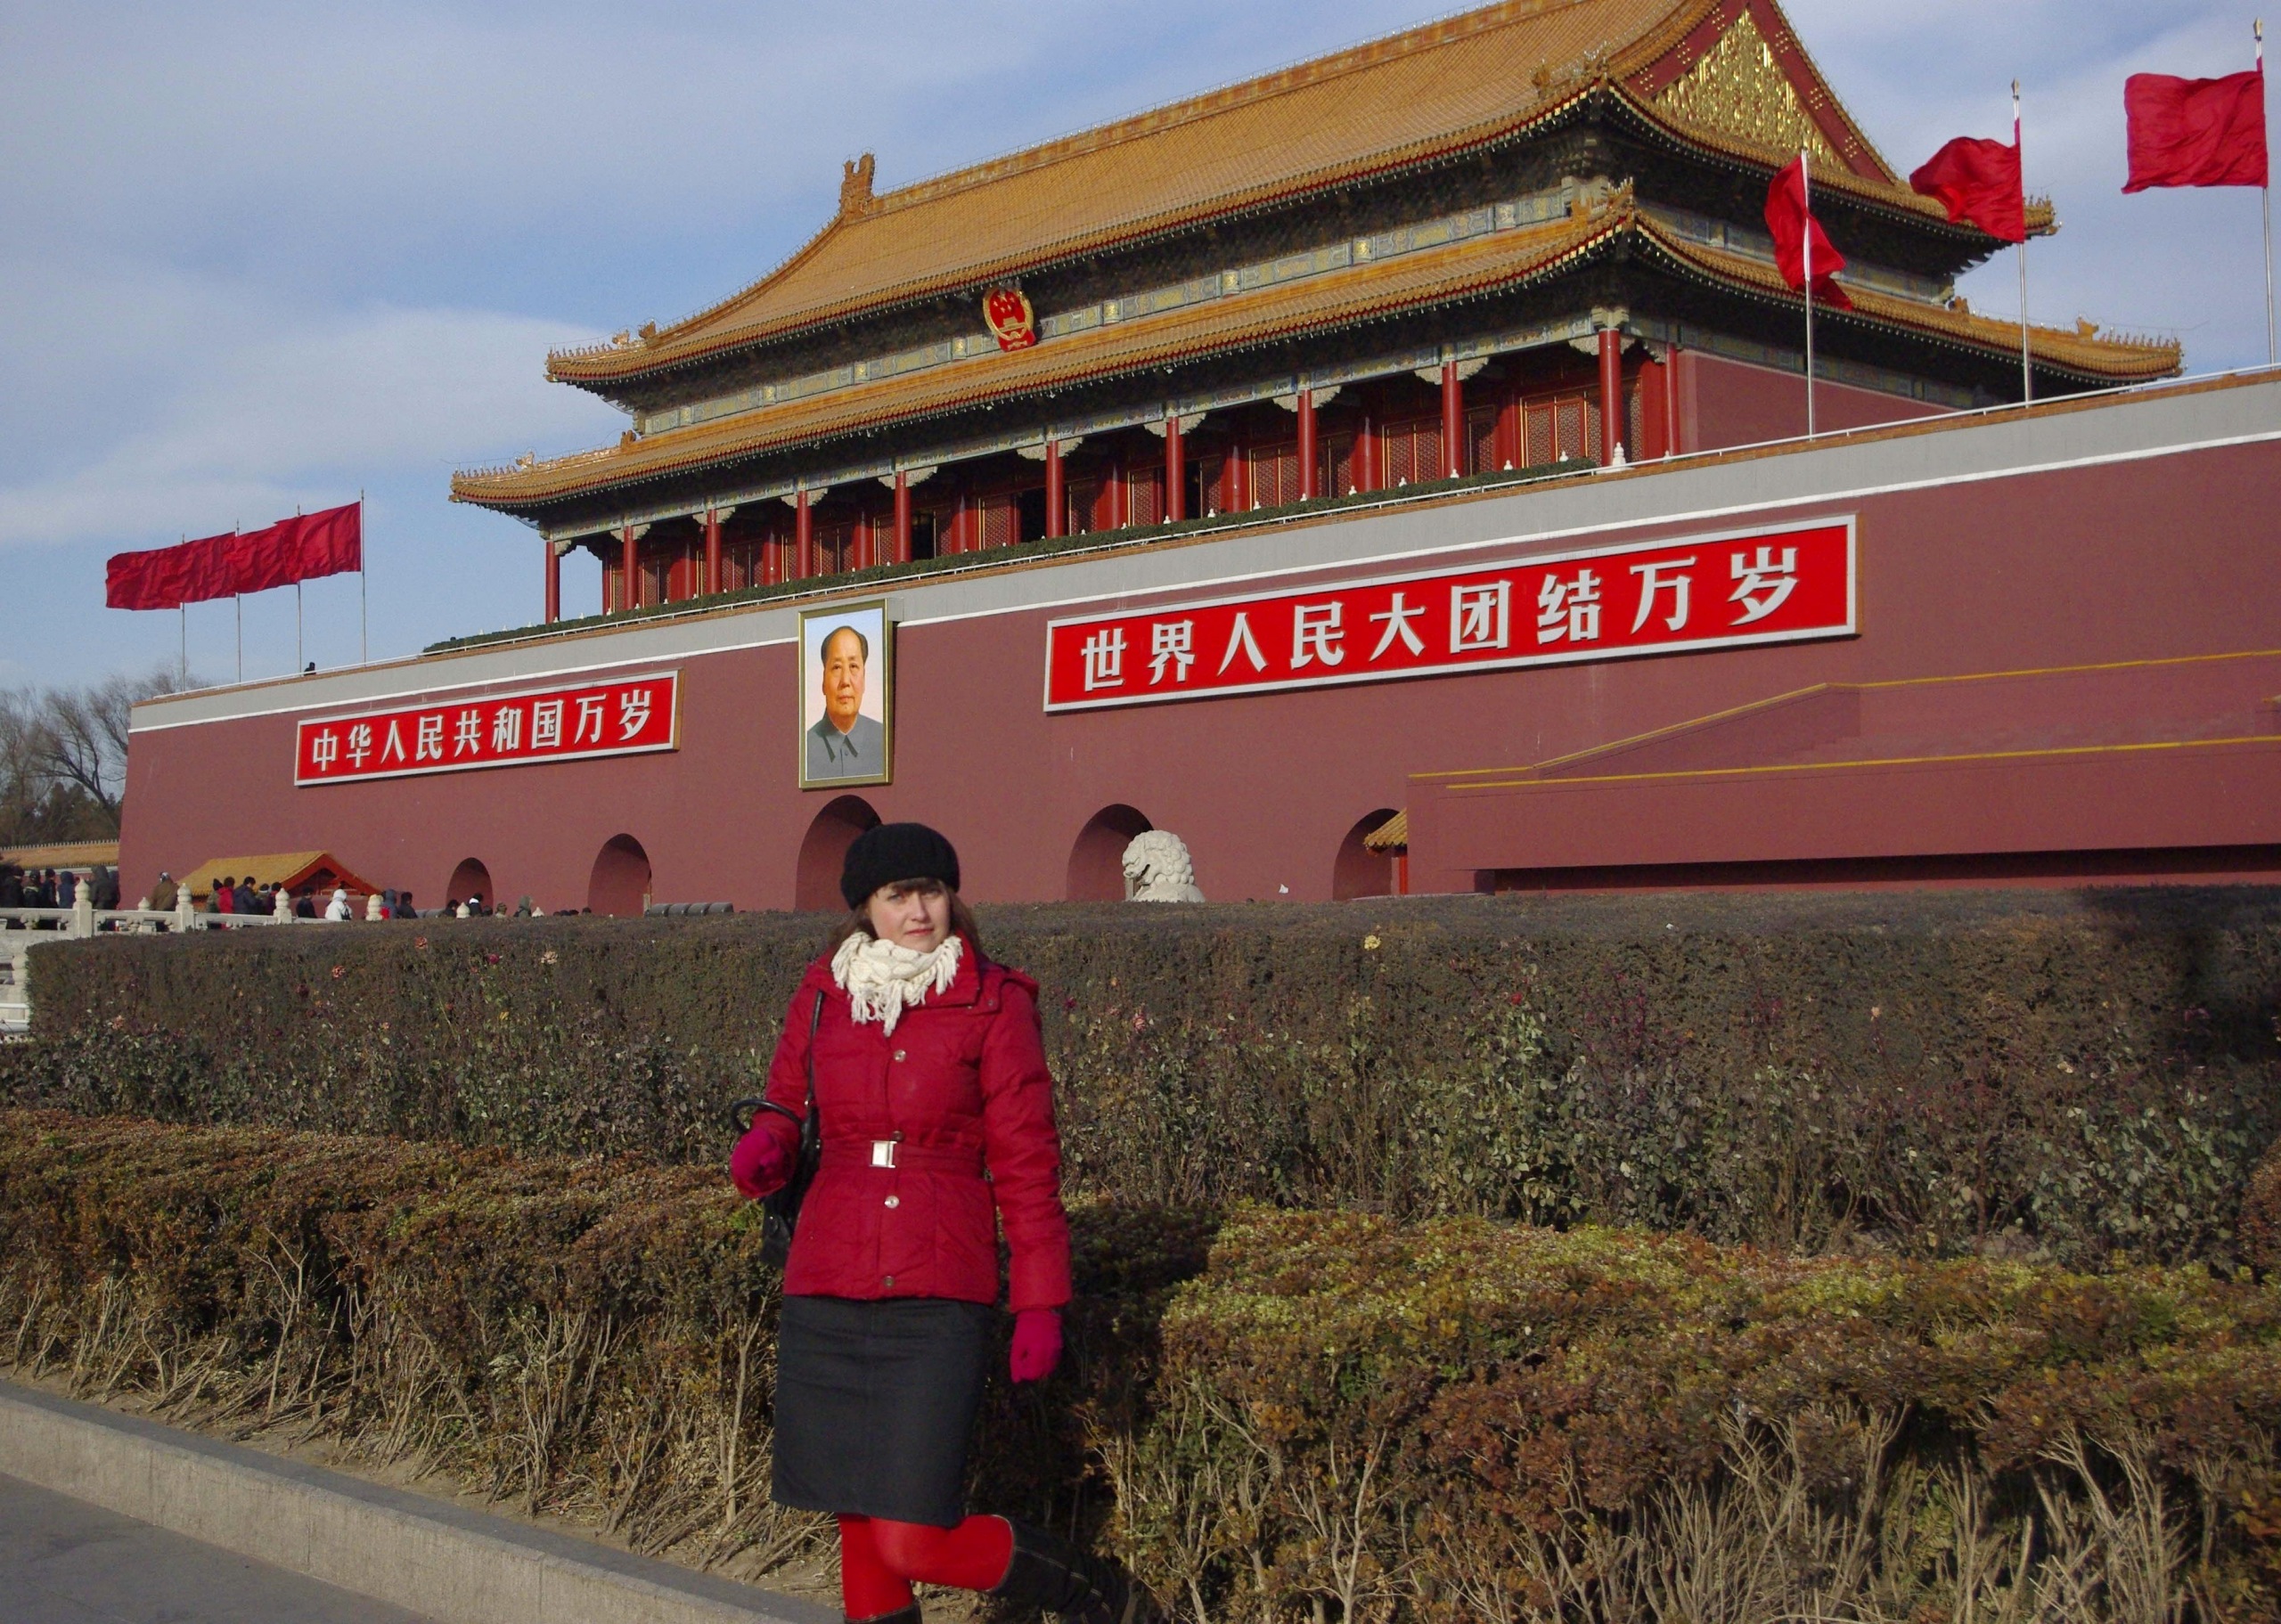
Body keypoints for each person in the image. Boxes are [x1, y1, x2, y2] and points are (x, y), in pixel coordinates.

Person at [728, 823, 1154, 1624]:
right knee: (858, 1522)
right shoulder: (824, 994)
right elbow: (787, 1102)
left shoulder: (995, 1000)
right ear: (865, 906)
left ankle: (1101, 1594)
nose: (919, 911)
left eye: (932, 891)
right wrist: (766, 1145)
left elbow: (1027, 1162)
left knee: (912, 1539)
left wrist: (1039, 1300)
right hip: (829, 1275)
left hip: (937, 1285)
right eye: (898, 895)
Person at [805, 624, 887, 780]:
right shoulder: (803, 750)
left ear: (864, 678)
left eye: (853, 666)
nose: (845, 681)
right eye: (837, 667)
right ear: (823, 681)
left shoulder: (886, 742)